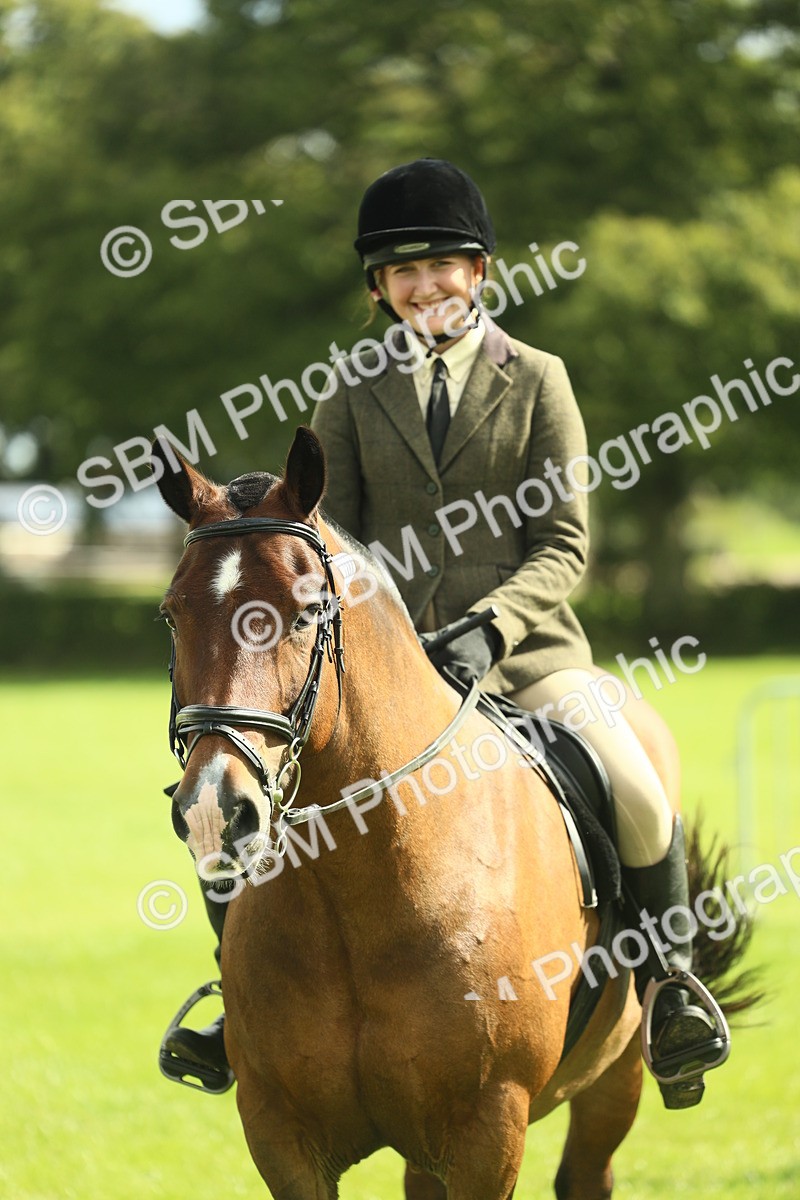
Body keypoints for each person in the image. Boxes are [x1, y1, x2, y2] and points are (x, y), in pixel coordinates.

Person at [163, 158, 725, 1108]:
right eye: (401, 271)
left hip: (532, 653)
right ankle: (238, 998)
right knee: (236, 794)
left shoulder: (540, 381)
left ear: (481, 273)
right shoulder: (348, 393)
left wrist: (493, 627)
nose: (423, 285)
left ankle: (670, 988)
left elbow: (565, 542)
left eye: (441, 265)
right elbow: (324, 538)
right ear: (378, 289)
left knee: (632, 783)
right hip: (388, 666)